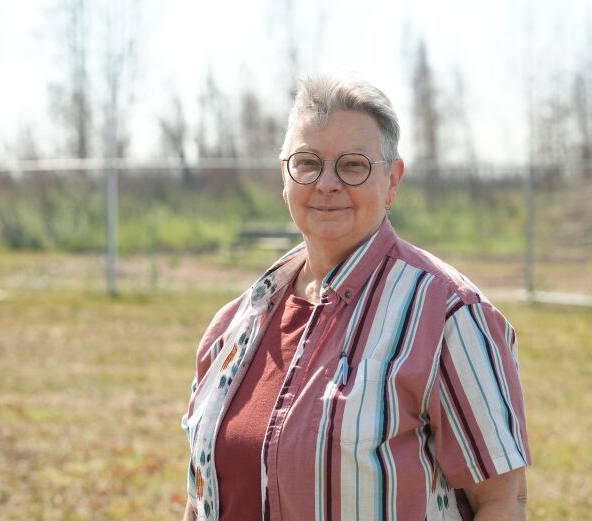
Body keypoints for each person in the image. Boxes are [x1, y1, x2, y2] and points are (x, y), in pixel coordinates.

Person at [182, 74, 531, 521]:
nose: (327, 183)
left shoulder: (450, 316)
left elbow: (502, 501)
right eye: (307, 163)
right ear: (284, 178)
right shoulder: (237, 324)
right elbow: (200, 499)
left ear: (392, 181)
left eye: (353, 166)